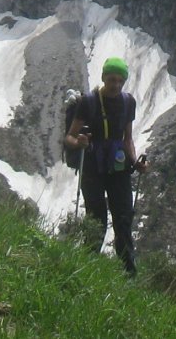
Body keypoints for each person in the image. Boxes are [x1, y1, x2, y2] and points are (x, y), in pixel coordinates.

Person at [65, 56, 149, 274]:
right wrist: (80, 142)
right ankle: (88, 267)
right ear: (103, 78)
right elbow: (70, 137)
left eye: (120, 81)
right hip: (92, 168)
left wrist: (135, 161)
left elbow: (127, 138)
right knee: (97, 218)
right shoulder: (89, 102)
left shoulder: (128, 102)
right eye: (112, 80)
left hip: (119, 168)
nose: (116, 85)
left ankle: (127, 273)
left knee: (123, 219)